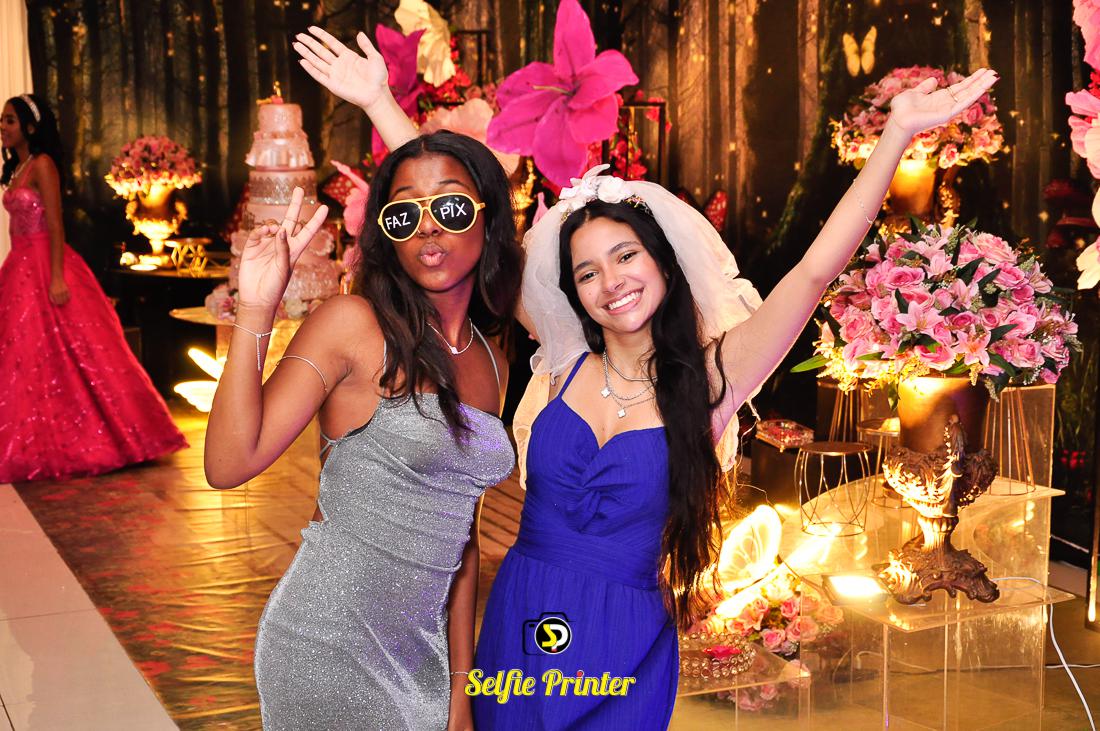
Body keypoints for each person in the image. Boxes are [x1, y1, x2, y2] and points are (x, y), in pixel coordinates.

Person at [295, 25, 997, 729]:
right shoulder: (565, 358)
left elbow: (815, 270)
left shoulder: (715, 378)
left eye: (626, 256)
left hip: (622, 644)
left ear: (662, 261)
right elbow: (461, 224)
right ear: (573, 292)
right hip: (521, 625)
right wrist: (381, 104)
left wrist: (896, 135)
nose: (612, 282)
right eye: (587, 272)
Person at [203, 120, 522, 726]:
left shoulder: (492, 363)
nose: (428, 227)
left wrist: (461, 690)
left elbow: (465, 543)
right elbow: (227, 464)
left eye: (450, 206)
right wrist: (257, 306)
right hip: (327, 643)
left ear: (488, 217)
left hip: (422, 653)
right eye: (404, 214)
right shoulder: (352, 324)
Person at [0, 93, 186, 482]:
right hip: (20, 263)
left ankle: (107, 436)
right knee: (25, 354)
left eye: (10, 120)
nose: (3, 127)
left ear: (30, 127)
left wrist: (55, 276)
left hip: (45, 262)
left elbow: (55, 224)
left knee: (70, 353)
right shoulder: (18, 168)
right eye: (3, 120)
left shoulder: (43, 165)